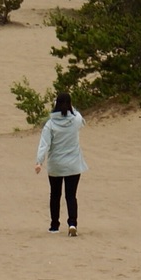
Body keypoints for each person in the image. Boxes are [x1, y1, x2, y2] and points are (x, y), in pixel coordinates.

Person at [33, 91, 87, 235]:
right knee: (71, 195)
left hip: (56, 164)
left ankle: (54, 225)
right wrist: (71, 108)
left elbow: (44, 144)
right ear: (70, 104)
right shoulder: (76, 120)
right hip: (73, 164)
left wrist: (39, 162)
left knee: (55, 195)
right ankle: (72, 223)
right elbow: (79, 117)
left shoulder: (50, 124)